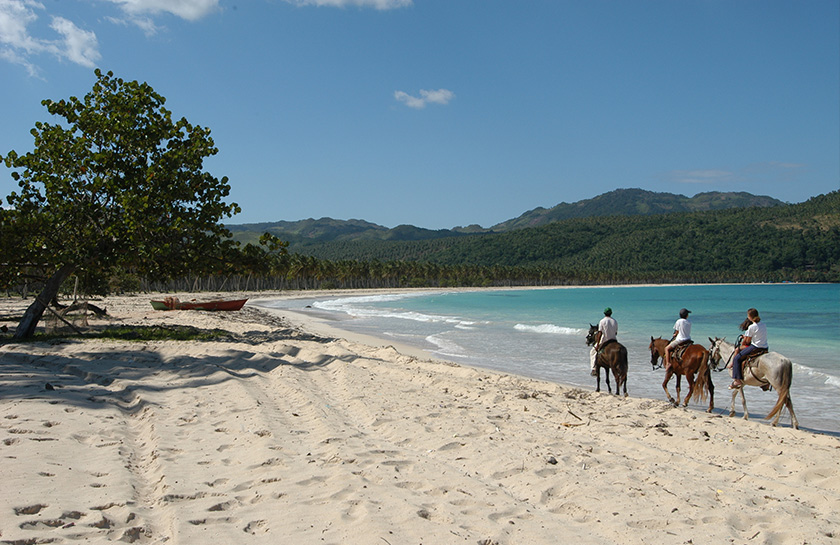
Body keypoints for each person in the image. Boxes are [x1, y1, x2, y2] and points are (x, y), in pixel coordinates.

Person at [729, 308, 768, 389]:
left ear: (750, 317)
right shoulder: (763, 325)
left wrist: (744, 338)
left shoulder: (752, 327)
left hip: (755, 347)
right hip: (765, 347)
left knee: (737, 358)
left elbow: (747, 341)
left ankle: (737, 380)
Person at [590, 307, 618, 376]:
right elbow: (615, 333)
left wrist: (597, 344)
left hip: (605, 340)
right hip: (614, 340)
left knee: (593, 352)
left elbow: (600, 333)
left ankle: (594, 369)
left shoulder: (602, 321)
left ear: (604, 313)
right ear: (611, 313)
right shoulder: (615, 321)